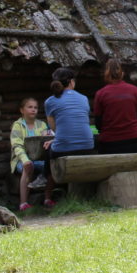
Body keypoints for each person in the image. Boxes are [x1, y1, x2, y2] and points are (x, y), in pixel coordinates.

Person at [42, 66, 96, 207]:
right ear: (72, 82)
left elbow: (54, 128)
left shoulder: (50, 101)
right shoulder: (84, 99)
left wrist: (55, 139)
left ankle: (47, 195)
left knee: (49, 152)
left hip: (63, 148)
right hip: (87, 147)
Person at [92, 58, 137, 154]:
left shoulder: (101, 93)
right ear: (122, 73)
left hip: (109, 143)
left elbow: (98, 122)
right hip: (134, 140)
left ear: (106, 74)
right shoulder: (134, 90)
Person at [10, 97, 50, 211]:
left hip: (39, 159)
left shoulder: (42, 125)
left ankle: (47, 199)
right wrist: (25, 160)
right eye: (30, 107)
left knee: (51, 166)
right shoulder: (17, 125)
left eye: (35, 107)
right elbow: (16, 145)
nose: (33, 110)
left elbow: (47, 139)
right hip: (21, 160)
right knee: (28, 166)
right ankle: (23, 203)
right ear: (22, 110)